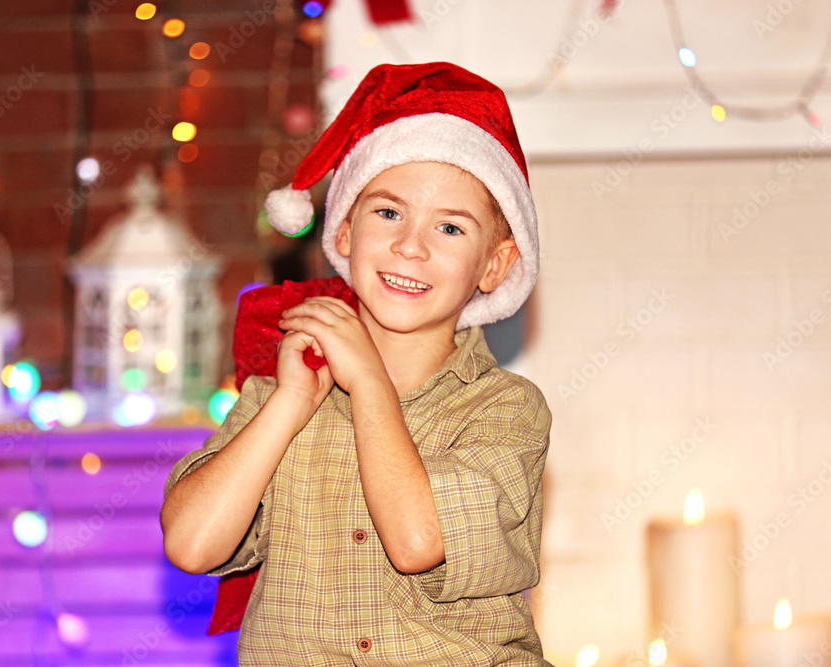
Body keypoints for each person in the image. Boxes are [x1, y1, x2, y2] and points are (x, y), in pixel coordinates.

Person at [161, 61, 553, 665]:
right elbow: (190, 545)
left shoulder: (506, 409)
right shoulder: (282, 392)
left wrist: (369, 381)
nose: (410, 245)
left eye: (450, 227)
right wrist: (289, 403)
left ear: (494, 266)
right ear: (344, 231)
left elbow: (419, 539)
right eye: (389, 213)